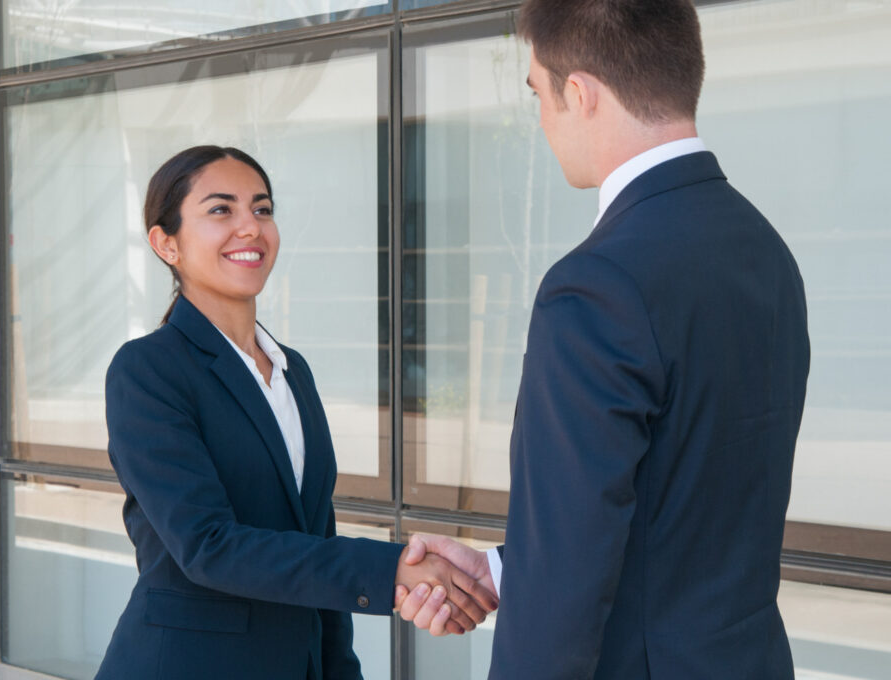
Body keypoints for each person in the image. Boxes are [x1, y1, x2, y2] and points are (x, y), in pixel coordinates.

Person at [396, 1, 810, 678]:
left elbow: (565, 583)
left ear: (580, 94)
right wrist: (504, 567)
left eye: (539, 94)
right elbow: (678, 509)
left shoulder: (597, 284)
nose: (541, 121)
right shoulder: (764, 251)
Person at [94, 145, 497, 680]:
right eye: (221, 210)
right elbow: (207, 545)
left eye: (262, 209)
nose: (250, 228)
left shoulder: (292, 371)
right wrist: (394, 568)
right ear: (165, 243)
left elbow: (315, 536)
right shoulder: (147, 370)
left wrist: (339, 669)